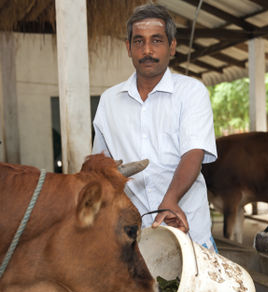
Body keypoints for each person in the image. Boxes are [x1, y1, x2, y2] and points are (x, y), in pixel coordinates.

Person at [91, 4, 218, 251]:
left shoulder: (191, 93)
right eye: (138, 42)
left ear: (172, 46)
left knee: (197, 288)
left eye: (156, 41)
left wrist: (171, 200)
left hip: (186, 228)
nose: (147, 50)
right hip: (134, 236)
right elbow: (103, 166)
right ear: (128, 48)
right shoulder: (109, 100)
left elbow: (193, 153)